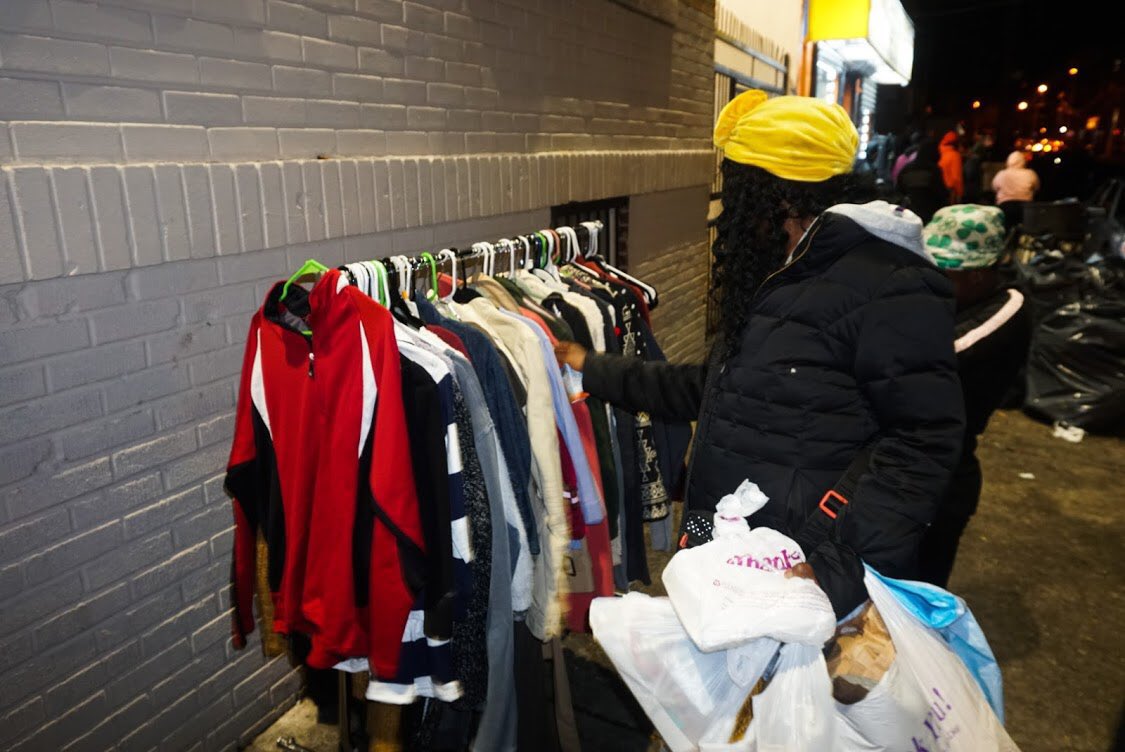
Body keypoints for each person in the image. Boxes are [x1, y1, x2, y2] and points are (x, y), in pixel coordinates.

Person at [555, 89, 965, 619]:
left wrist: (839, 565)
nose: (728, 205)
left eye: (737, 184)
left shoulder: (889, 283)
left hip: (797, 561)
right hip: (733, 536)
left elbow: (922, 442)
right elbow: (718, 389)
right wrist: (592, 364)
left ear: (776, 191)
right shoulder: (787, 271)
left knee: (779, 701)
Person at [917, 205, 1032, 586]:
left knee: (921, 591)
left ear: (980, 273)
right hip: (908, 467)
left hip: (944, 476)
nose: (934, 281)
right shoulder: (954, 298)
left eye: (947, 274)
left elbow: (943, 354)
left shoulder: (1009, 306)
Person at [894, 137, 948, 223]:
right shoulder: (934, 169)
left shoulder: (907, 168)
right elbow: (941, 193)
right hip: (929, 213)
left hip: (909, 212)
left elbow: (899, 188)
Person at [992, 150, 1040, 232]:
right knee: (1025, 231)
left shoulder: (1001, 174)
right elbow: (1036, 188)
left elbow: (994, 188)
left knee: (1006, 229)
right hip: (1025, 207)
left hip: (1005, 206)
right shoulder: (1030, 173)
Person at [939, 130, 965, 203]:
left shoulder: (938, 152)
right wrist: (960, 194)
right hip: (950, 191)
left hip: (938, 188)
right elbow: (956, 177)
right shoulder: (955, 155)